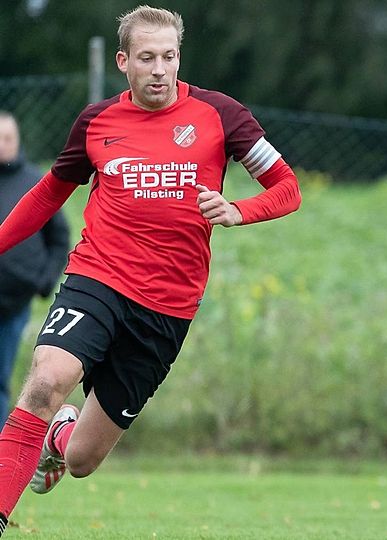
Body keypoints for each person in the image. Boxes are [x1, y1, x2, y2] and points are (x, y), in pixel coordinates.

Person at [0, 5, 300, 533]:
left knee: (81, 461)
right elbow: (49, 193)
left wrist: (239, 210)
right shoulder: (97, 122)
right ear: (124, 62)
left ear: (179, 57)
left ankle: (59, 438)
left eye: (168, 56)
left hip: (168, 305)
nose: (159, 69)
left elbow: (287, 188)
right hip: (98, 277)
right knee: (47, 381)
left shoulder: (220, 114)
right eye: (146, 58)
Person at [0, 112, 71, 424]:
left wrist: (45, 280)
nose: (2, 145)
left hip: (15, 304)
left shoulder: (35, 182)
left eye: (7, 138)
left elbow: (59, 237)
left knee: (0, 378)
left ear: (17, 141)